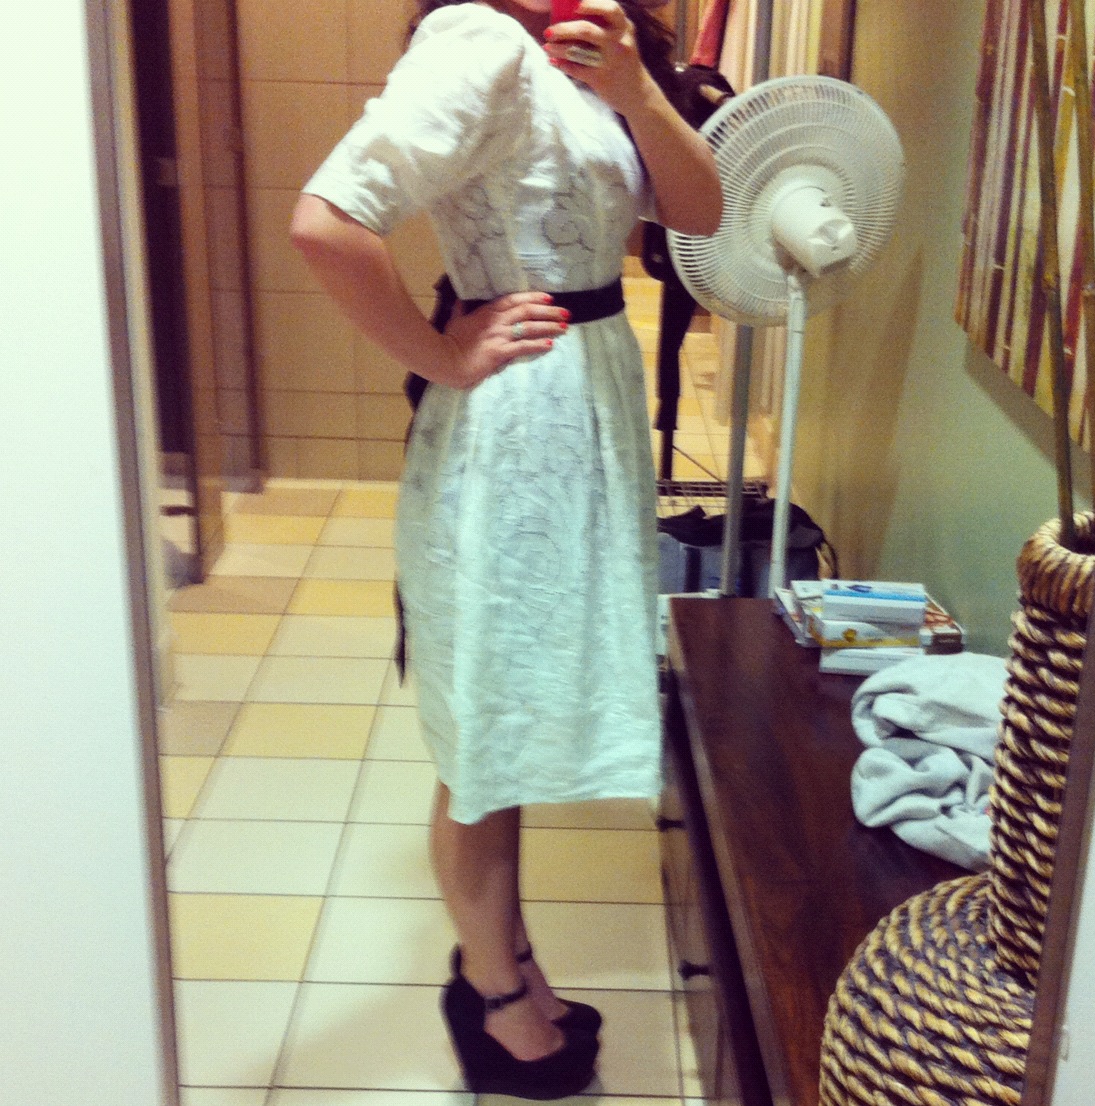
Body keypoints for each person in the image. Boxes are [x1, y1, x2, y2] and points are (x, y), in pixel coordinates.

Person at [291, 0, 722, 1097]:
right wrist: (438, 354)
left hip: (582, 401)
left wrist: (637, 91)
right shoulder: (480, 43)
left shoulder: (587, 62)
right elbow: (327, 222)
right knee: (487, 732)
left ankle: (509, 958)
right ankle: (491, 995)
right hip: (521, 420)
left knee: (512, 716)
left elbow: (702, 212)